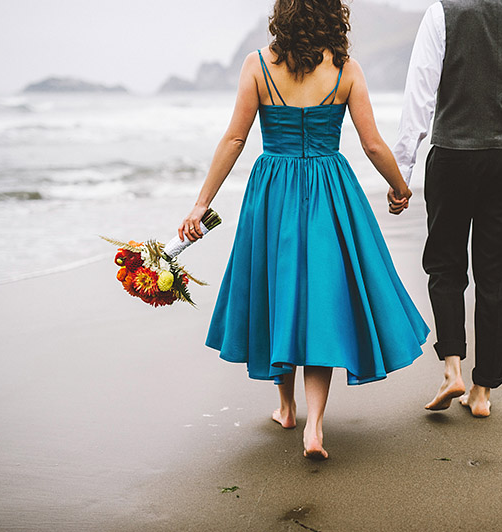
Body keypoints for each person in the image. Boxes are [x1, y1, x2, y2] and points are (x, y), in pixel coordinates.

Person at [178, 0, 429, 460]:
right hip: (329, 190)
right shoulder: (346, 69)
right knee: (318, 302)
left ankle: (285, 406)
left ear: (282, 15)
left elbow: (235, 138)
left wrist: (201, 203)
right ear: (335, 15)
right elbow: (372, 143)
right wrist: (399, 186)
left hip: (273, 191)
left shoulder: (257, 65)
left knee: (281, 292)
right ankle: (314, 424)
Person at [390, 0, 502, 417]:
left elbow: (420, 94)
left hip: (452, 156)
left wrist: (402, 171)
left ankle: (453, 369)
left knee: (445, 264)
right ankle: (483, 390)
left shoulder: (442, 13)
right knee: (498, 277)